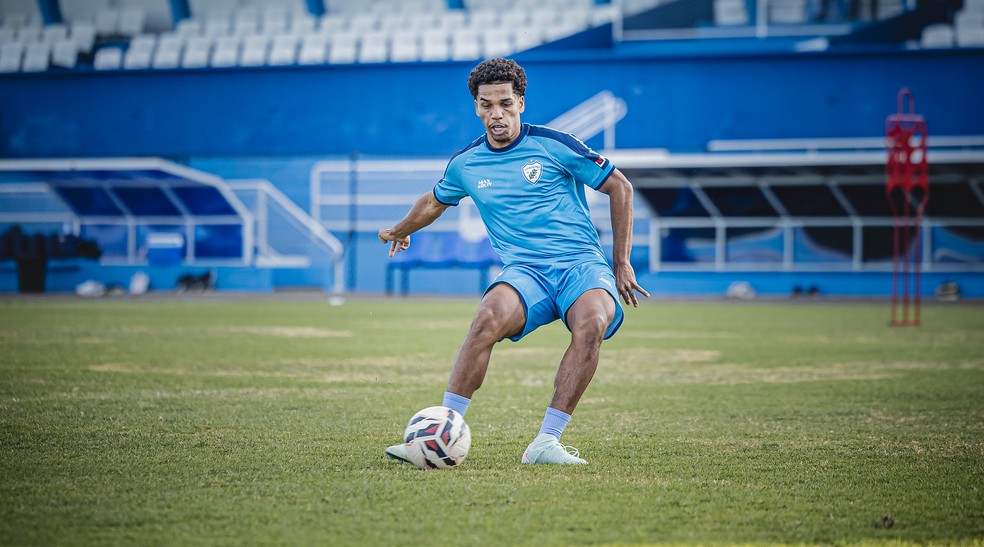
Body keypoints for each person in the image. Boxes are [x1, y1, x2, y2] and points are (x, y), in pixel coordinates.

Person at [378, 58, 649, 465]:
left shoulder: (554, 145)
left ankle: (545, 443)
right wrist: (401, 228)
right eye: (487, 105)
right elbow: (434, 200)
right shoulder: (467, 163)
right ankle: (439, 433)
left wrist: (621, 262)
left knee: (593, 321)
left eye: (505, 103)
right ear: (476, 107)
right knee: (487, 318)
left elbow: (620, 186)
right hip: (525, 272)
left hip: (581, 265)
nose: (496, 114)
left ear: (520, 102)